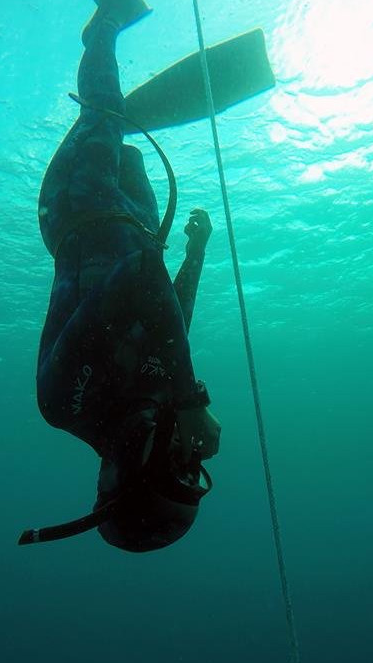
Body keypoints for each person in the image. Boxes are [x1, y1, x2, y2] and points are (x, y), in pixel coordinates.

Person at [34, 0, 221, 552]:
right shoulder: (159, 394)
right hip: (136, 220)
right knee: (133, 155)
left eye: (177, 472)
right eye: (194, 472)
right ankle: (113, 126)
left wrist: (189, 399)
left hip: (77, 205)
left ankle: (104, 26)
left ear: (127, 474)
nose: (187, 457)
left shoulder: (67, 399)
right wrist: (197, 252)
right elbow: (173, 314)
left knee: (106, 113)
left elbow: (141, 277)